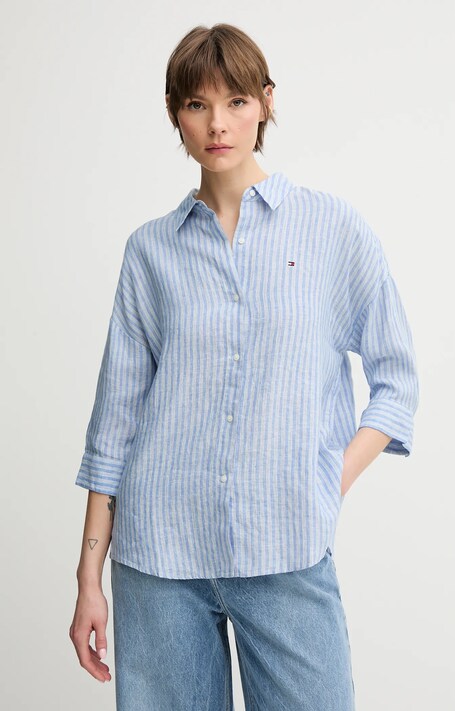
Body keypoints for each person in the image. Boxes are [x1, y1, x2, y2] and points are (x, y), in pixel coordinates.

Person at [69, 22, 419, 711]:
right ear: (175, 114)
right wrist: (88, 578)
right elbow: (115, 426)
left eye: (235, 101)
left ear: (266, 101)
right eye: (197, 105)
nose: (218, 124)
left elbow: (397, 381)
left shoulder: (332, 230)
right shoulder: (150, 252)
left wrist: (327, 480)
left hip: (287, 549)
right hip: (159, 558)